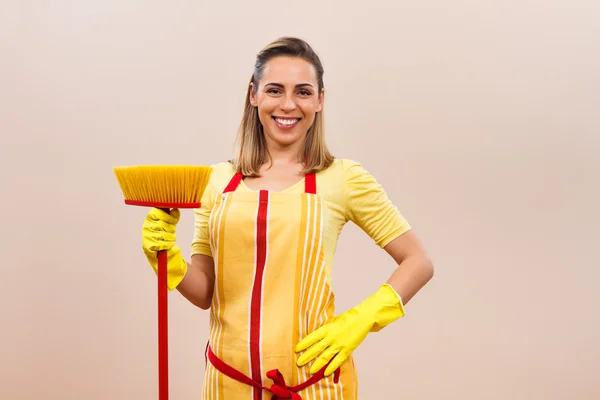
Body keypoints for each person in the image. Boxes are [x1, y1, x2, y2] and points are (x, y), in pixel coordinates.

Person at [141, 36, 434, 399]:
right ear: (254, 95)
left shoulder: (342, 178)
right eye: (275, 90)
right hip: (226, 384)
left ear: (320, 100)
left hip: (314, 383)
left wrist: (361, 320)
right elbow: (206, 293)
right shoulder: (216, 181)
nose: (289, 104)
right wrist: (167, 258)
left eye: (304, 92)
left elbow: (418, 261)